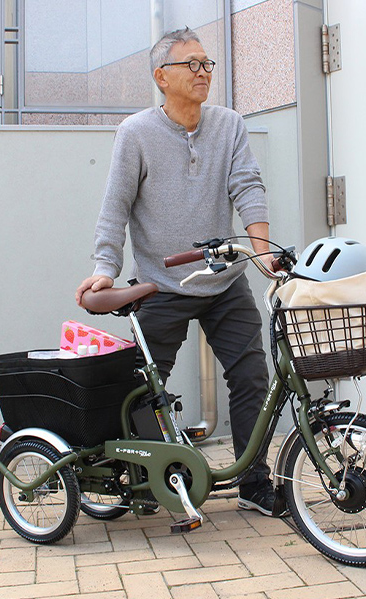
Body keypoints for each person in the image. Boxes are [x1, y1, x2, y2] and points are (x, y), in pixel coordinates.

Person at [74, 28, 286, 517]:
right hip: (162, 283)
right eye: (190, 64)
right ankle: (145, 480)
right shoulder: (136, 133)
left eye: (207, 63)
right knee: (141, 389)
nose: (202, 72)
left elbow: (247, 186)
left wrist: (261, 255)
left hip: (224, 280)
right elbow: (115, 206)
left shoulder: (229, 124)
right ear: (161, 77)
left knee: (252, 377)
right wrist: (106, 267)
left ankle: (254, 483)